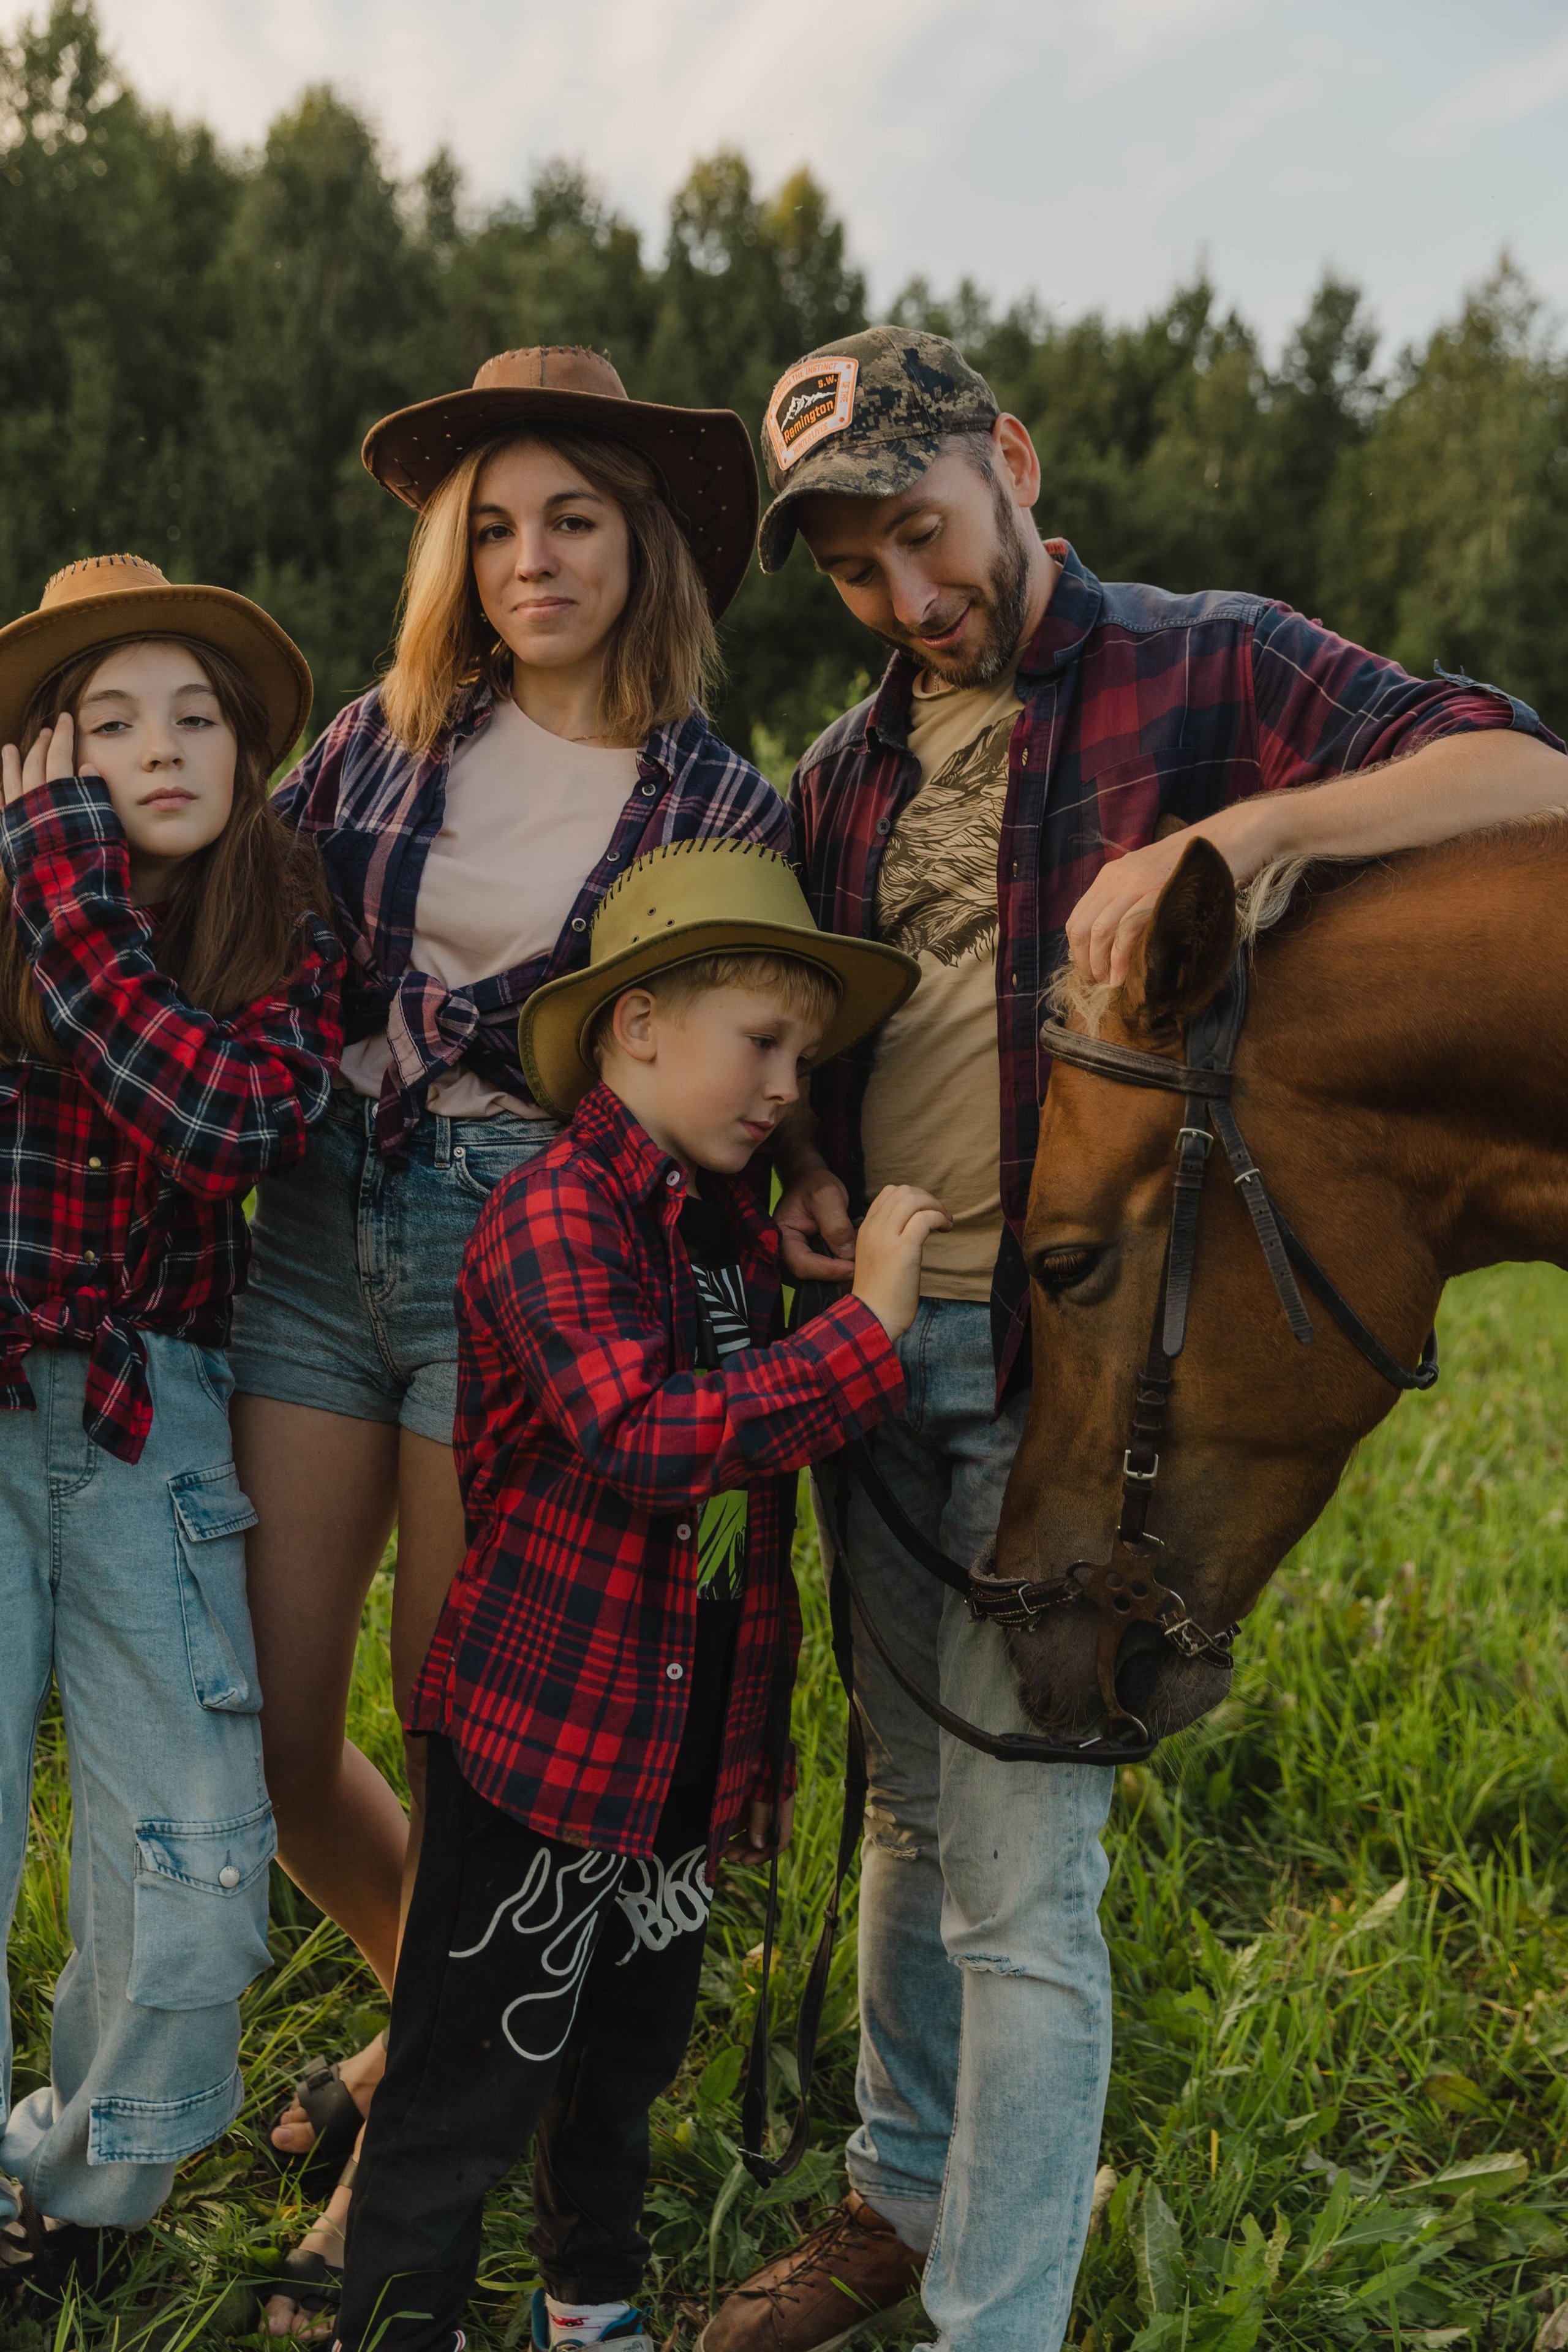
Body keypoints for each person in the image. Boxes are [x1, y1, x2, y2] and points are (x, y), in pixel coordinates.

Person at [700, 327, 1568, 2352]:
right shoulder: (845, 774)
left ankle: (993, 2315)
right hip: (882, 1357)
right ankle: (896, 2193)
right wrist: (809, 1173)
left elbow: (1528, 775)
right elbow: (833, 1059)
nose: (908, 600)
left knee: (1023, 1870)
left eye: (922, 532)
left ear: (1009, 461)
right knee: (913, 1814)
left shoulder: (1218, 665)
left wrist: (1255, 838)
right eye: (851, 571)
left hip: (1082, 1366)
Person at [223, 347, 792, 2326]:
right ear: (451, 557)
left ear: (644, 546)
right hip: (314, 1231)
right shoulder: (376, 744)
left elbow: (745, 1058)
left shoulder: (720, 794)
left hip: (531, 1260)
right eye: (495, 527)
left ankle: (413, 2137)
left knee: (468, 1742)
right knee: (284, 1739)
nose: (531, 559)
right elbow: (233, 910)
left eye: (574, 520)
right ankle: (430, 2029)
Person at [323, 837, 939, 2352]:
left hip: (672, 1762)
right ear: (637, 1027)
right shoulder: (554, 1218)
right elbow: (647, 1440)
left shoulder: (720, 1232)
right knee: (470, 2070)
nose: (787, 1085)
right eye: (763, 1045)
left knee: (625, 2059)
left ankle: (587, 2301)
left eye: (803, 1055)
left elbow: (746, 1515)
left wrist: (755, 1758)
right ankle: (392, 2324)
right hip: (544, 1750)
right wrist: (864, 1329)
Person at [0, 556, 341, 2298]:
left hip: (155, 1416)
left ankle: (79, 2196)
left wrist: (65, 881)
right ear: (43, 749)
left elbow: (225, 1129)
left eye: (196, 714)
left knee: (196, 1860)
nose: (163, 746)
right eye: (108, 718)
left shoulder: (284, 922)